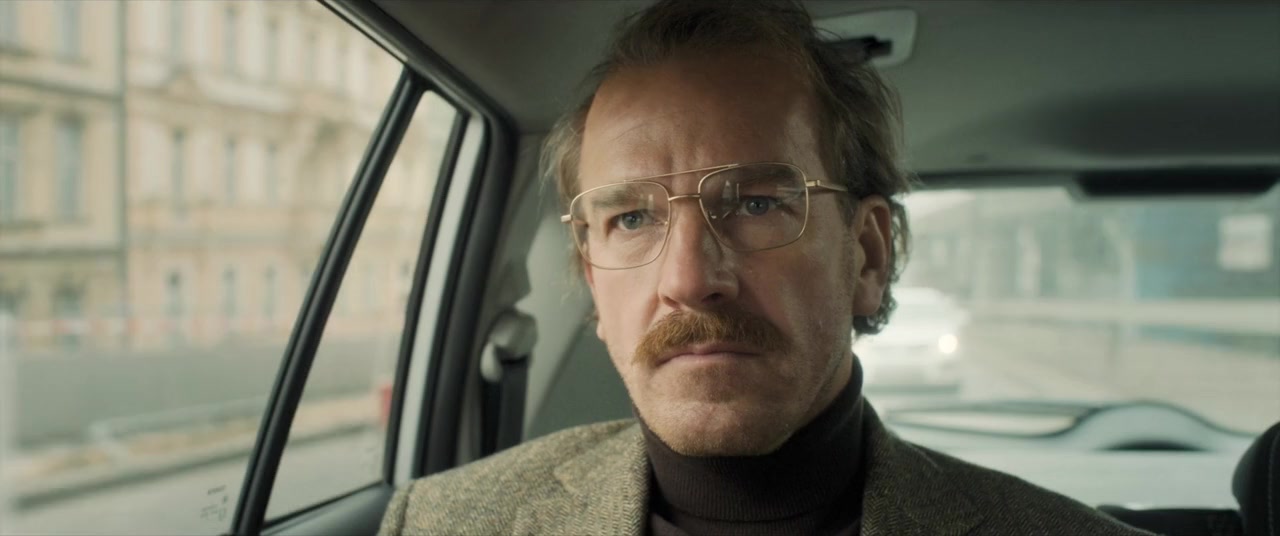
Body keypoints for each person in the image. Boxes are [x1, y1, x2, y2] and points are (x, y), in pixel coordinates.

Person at [379, 1, 1151, 534]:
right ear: (591, 276)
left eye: (755, 203)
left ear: (867, 256)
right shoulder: (440, 524)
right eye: (632, 218)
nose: (688, 280)